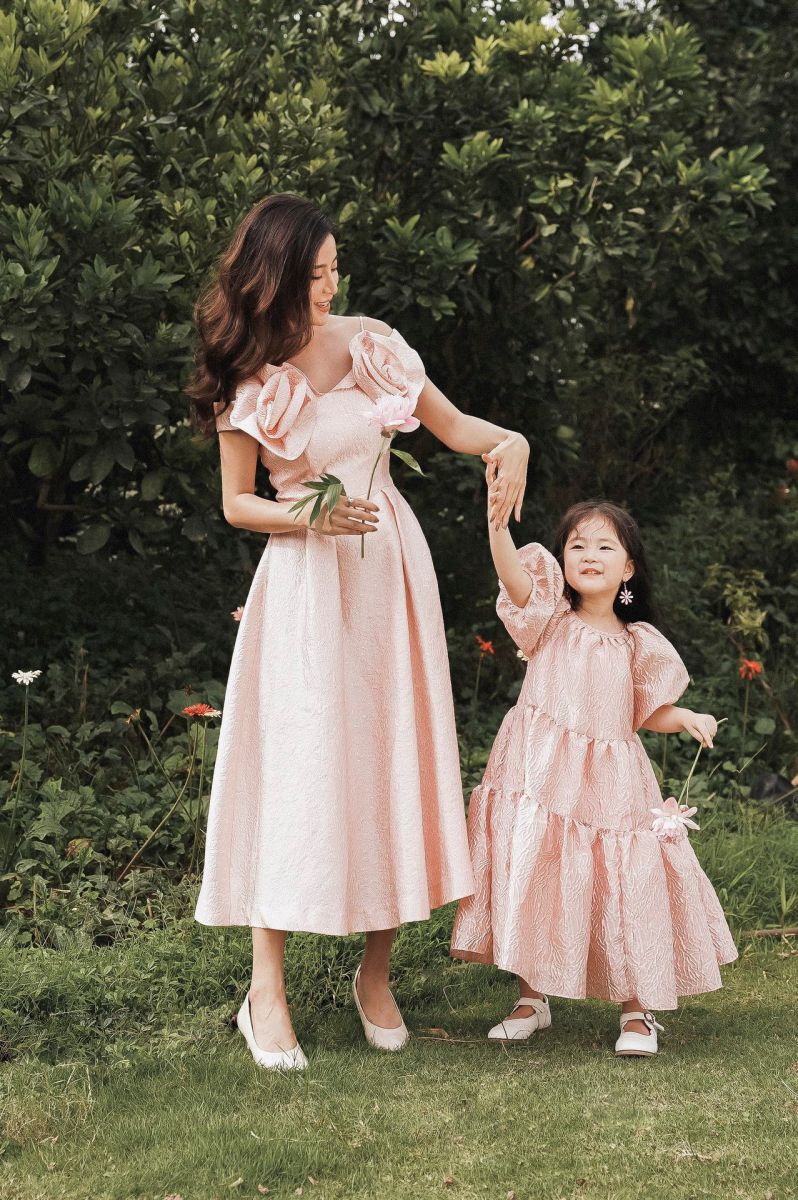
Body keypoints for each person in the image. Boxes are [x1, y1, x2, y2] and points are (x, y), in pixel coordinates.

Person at [186, 193, 531, 1070]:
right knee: (298, 770)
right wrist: (310, 516)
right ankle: (265, 991)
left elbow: (454, 429)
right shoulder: (246, 372)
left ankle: (374, 975)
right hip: (306, 586)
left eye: (335, 268)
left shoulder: (373, 343)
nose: (330, 286)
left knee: (390, 757)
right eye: (314, 273)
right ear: (272, 276)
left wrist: (513, 442)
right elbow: (237, 504)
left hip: (389, 578)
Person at [450, 493, 738, 1057]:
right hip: (539, 773)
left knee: (625, 880)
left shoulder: (637, 642)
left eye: (605, 546)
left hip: (612, 782)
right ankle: (532, 999)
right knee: (536, 870)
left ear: (628, 568)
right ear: (562, 560)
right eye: (577, 545)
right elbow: (512, 577)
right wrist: (496, 522)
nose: (589, 554)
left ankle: (637, 1009)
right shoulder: (548, 619)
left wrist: (685, 716)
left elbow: (646, 711)